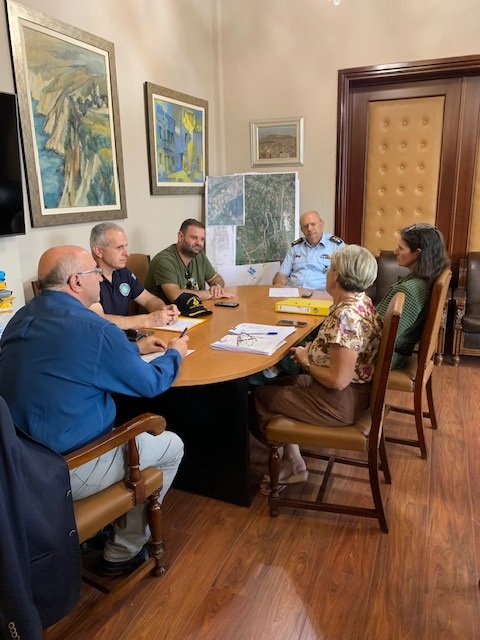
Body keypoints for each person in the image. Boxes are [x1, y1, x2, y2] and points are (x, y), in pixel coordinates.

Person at [0, 245, 189, 576]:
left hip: (17, 464)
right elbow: (151, 383)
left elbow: (71, 356)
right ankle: (123, 551)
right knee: (171, 445)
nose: (101, 279)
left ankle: (101, 531)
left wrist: (133, 347)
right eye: (95, 273)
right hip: (67, 466)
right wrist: (175, 353)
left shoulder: (20, 318)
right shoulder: (94, 328)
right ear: (76, 281)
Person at [253, 244, 382, 488]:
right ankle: (293, 460)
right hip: (348, 395)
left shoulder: (346, 317)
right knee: (277, 383)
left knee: (259, 396)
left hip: (338, 401)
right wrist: (314, 352)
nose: (327, 272)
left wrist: (305, 361)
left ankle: (290, 463)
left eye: (329, 268)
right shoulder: (362, 302)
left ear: (336, 275)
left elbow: (338, 380)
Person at [376, 223, 450, 369]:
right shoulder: (422, 280)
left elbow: (380, 336)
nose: (395, 252)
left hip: (385, 357)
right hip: (390, 352)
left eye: (401, 248)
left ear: (417, 253)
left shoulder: (409, 290)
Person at [89, 222, 179, 329]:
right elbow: (99, 320)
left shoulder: (123, 272)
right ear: (99, 251)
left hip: (126, 335)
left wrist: (163, 310)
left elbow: (148, 300)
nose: (127, 253)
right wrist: (148, 320)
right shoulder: (86, 279)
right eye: (119, 247)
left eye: (125, 246)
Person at [145, 218, 234, 303]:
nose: (199, 243)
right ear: (180, 237)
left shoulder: (199, 255)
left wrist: (217, 286)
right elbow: (175, 296)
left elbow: (215, 278)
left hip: (192, 309)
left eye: (202, 239)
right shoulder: (164, 260)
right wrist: (211, 294)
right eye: (194, 237)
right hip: (164, 311)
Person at [273, 210, 345, 291]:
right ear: (302, 230)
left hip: (321, 295)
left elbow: (344, 278)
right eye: (305, 226)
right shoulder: (296, 247)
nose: (310, 229)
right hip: (294, 293)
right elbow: (282, 275)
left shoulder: (336, 246)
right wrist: (278, 288)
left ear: (322, 224)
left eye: (313, 224)